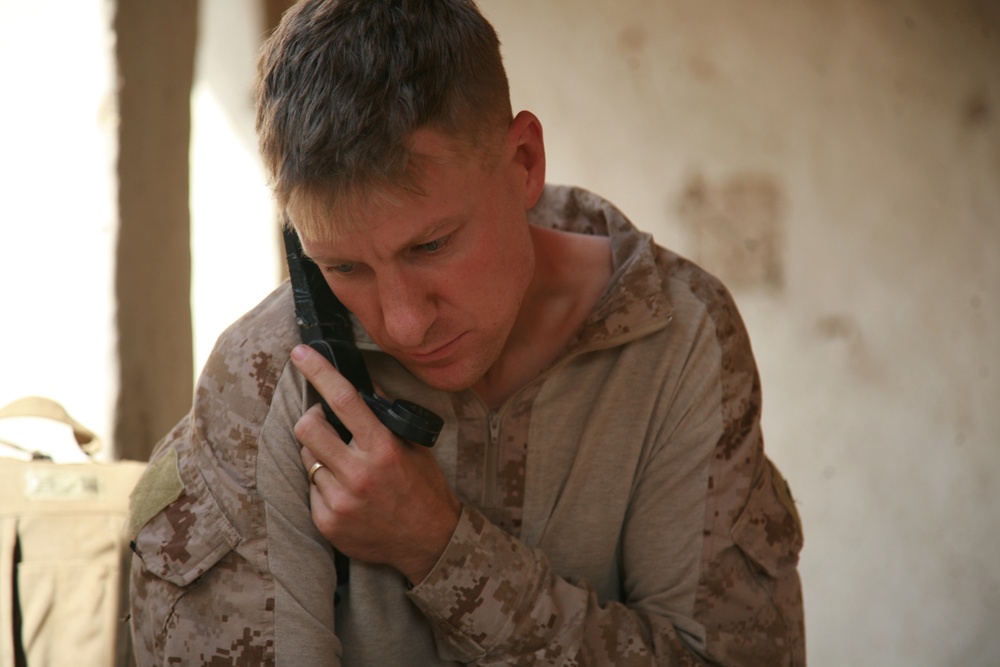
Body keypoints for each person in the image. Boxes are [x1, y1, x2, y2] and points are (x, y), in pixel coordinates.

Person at [127, 0, 805, 664]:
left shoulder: (679, 338)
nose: (402, 320)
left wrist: (439, 546)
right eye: (343, 265)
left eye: (431, 245)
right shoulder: (265, 374)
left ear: (525, 162)